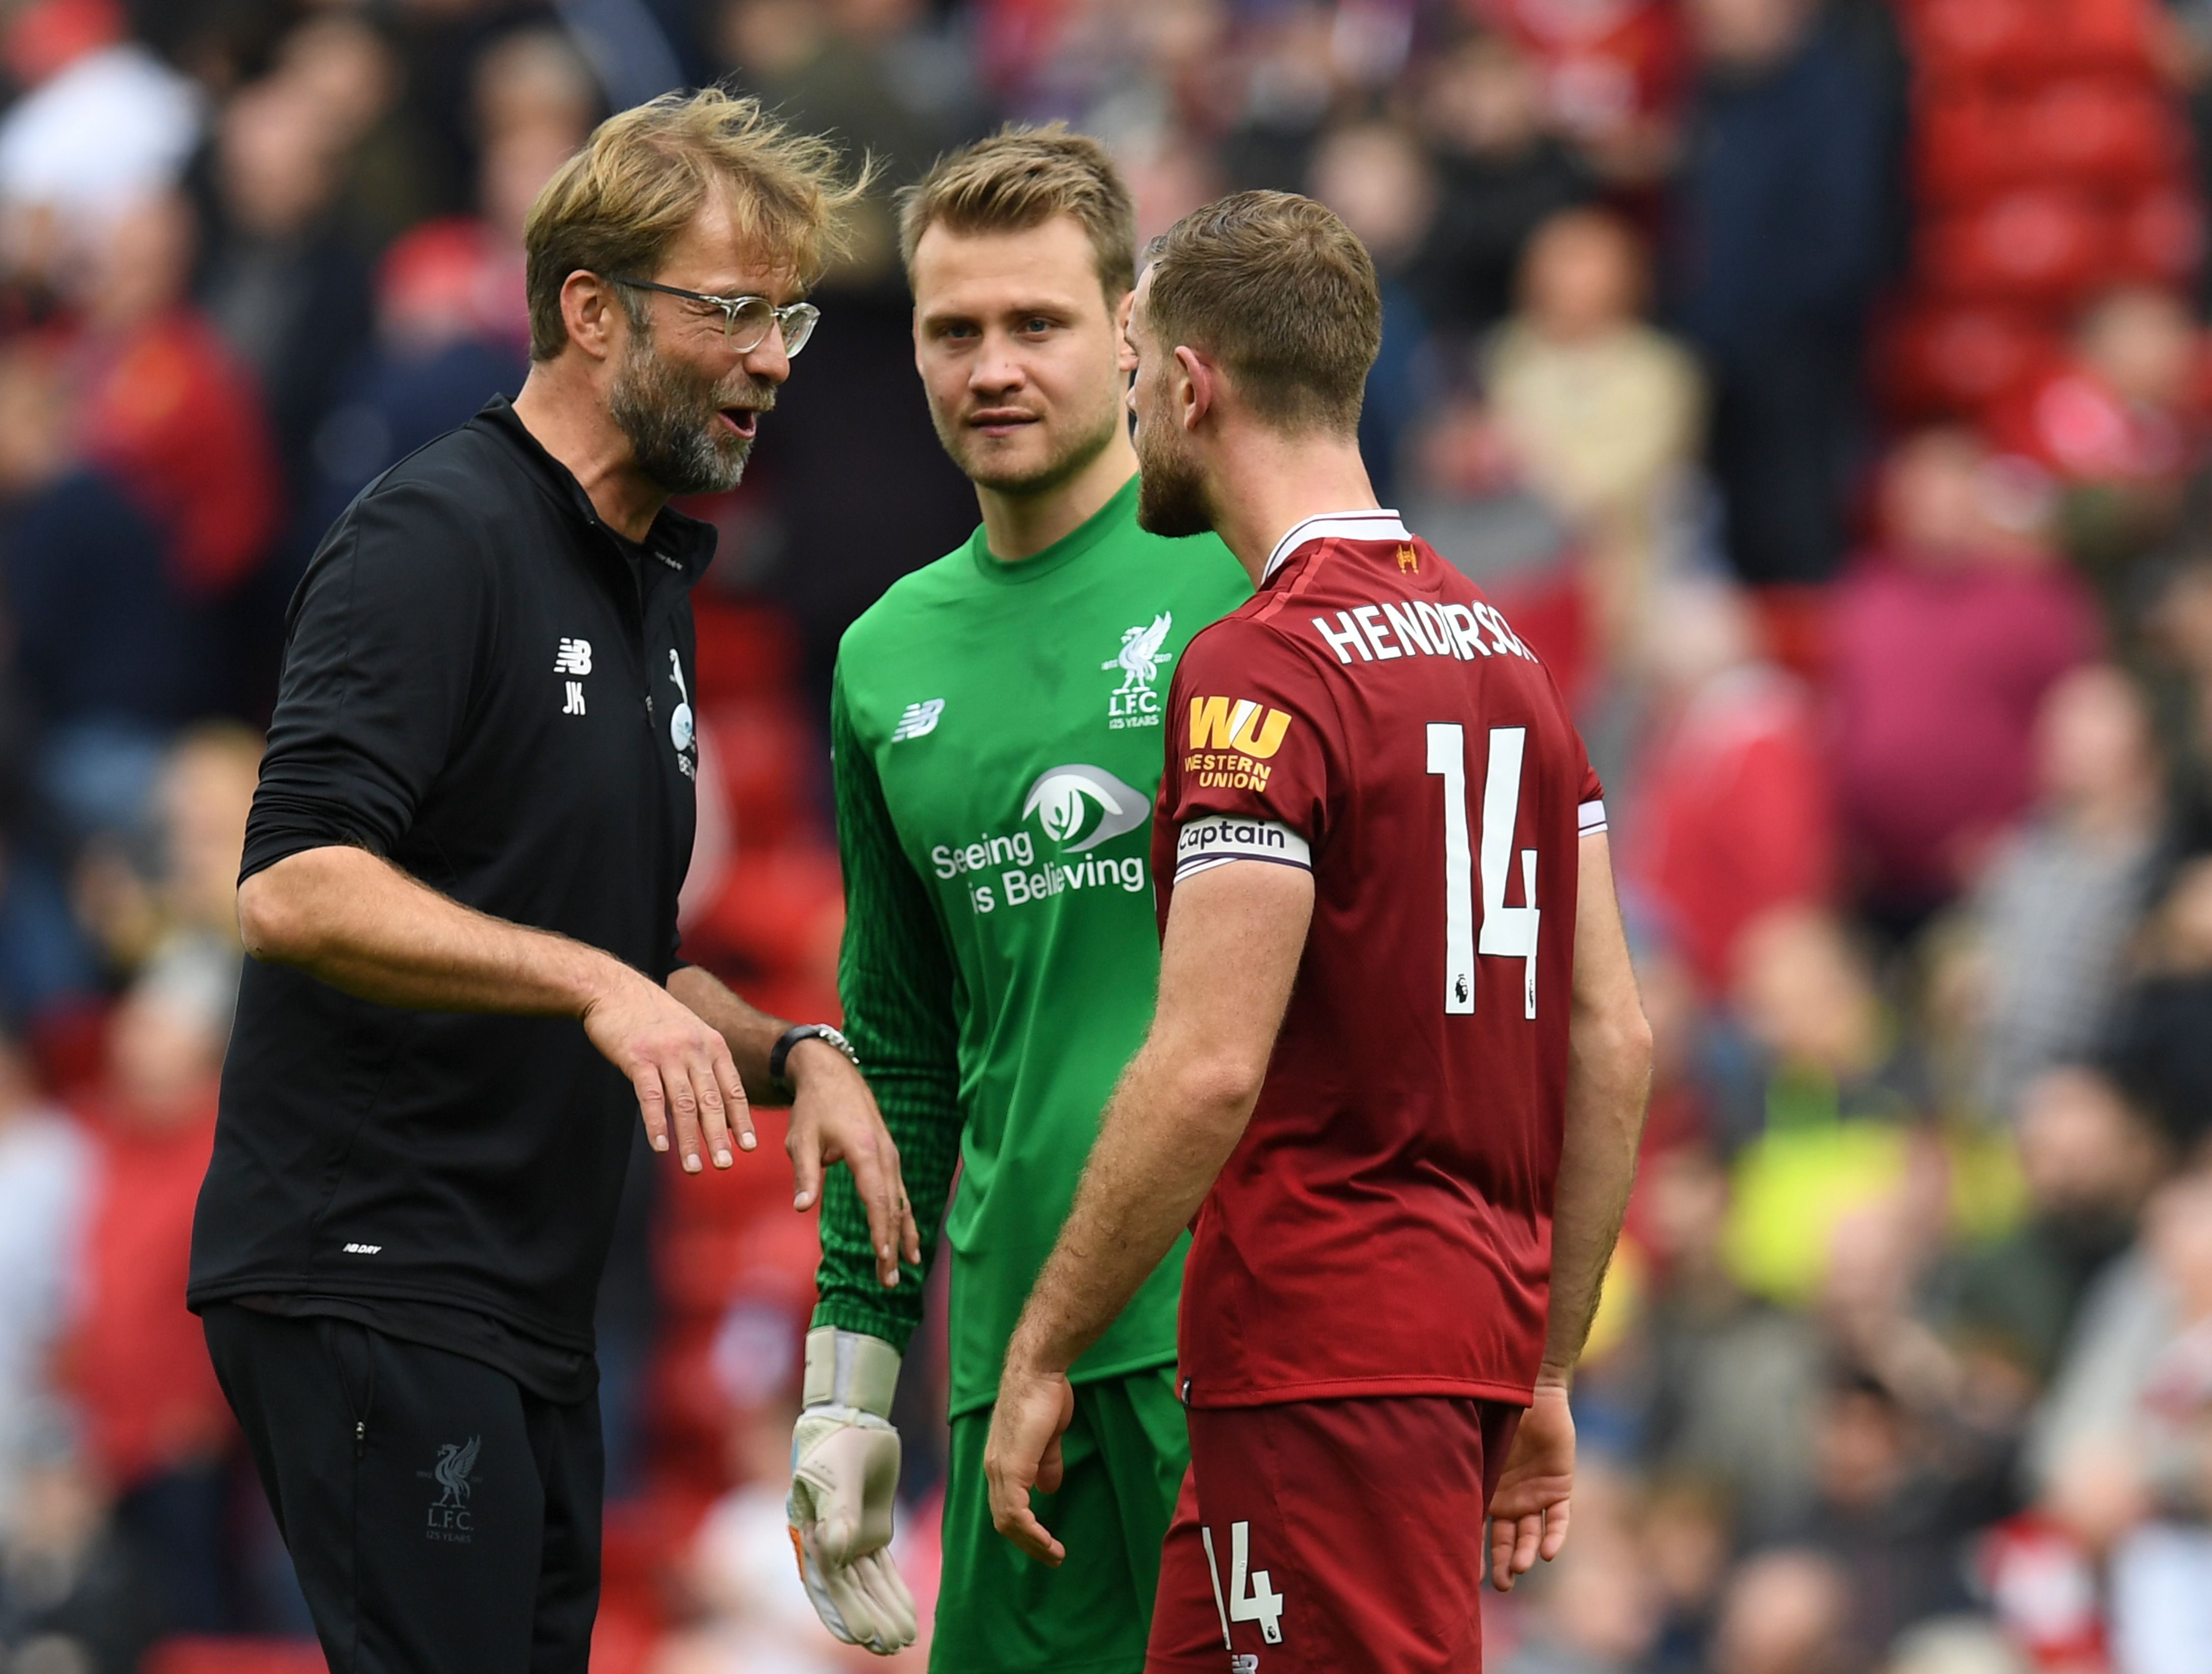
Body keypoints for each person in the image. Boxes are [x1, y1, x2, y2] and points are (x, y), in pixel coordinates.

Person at [187, 89, 916, 1674]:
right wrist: (595, 984)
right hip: (379, 1264)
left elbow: (629, 968)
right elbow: (296, 882)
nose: (777, 358)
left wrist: (800, 1055)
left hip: (519, 1295)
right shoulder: (434, 534)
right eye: (731, 311)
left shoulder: (642, 585)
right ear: (589, 310)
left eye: (786, 316)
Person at [981, 191, 1654, 1671]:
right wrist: (1541, 1365)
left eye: (1141, 371)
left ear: (1197, 384)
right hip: (1431, 1347)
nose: (1136, 408)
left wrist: (1044, 1346)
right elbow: (1615, 1038)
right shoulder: (1511, 659)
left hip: (1324, 1348)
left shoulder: (1258, 672)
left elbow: (1209, 1064)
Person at [789, 126, 1249, 1665]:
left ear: (1131, 332)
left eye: (1037, 324)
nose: (993, 367)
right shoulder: (882, 657)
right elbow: (899, 1050)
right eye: (954, 330)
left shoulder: (1252, 578)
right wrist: (853, 1374)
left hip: (1243, 1347)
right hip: (1009, 1388)